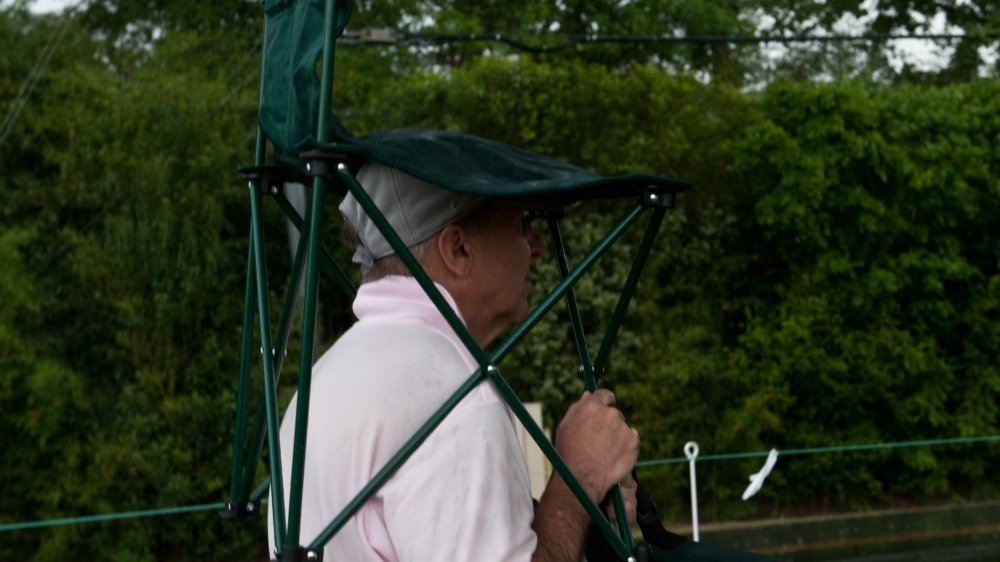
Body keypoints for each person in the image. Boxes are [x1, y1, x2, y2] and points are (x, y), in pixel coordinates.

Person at [268, 162, 640, 562]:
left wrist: (583, 508)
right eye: (519, 226)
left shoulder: (326, 376)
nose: (537, 246)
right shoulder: (452, 397)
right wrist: (580, 475)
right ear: (458, 249)